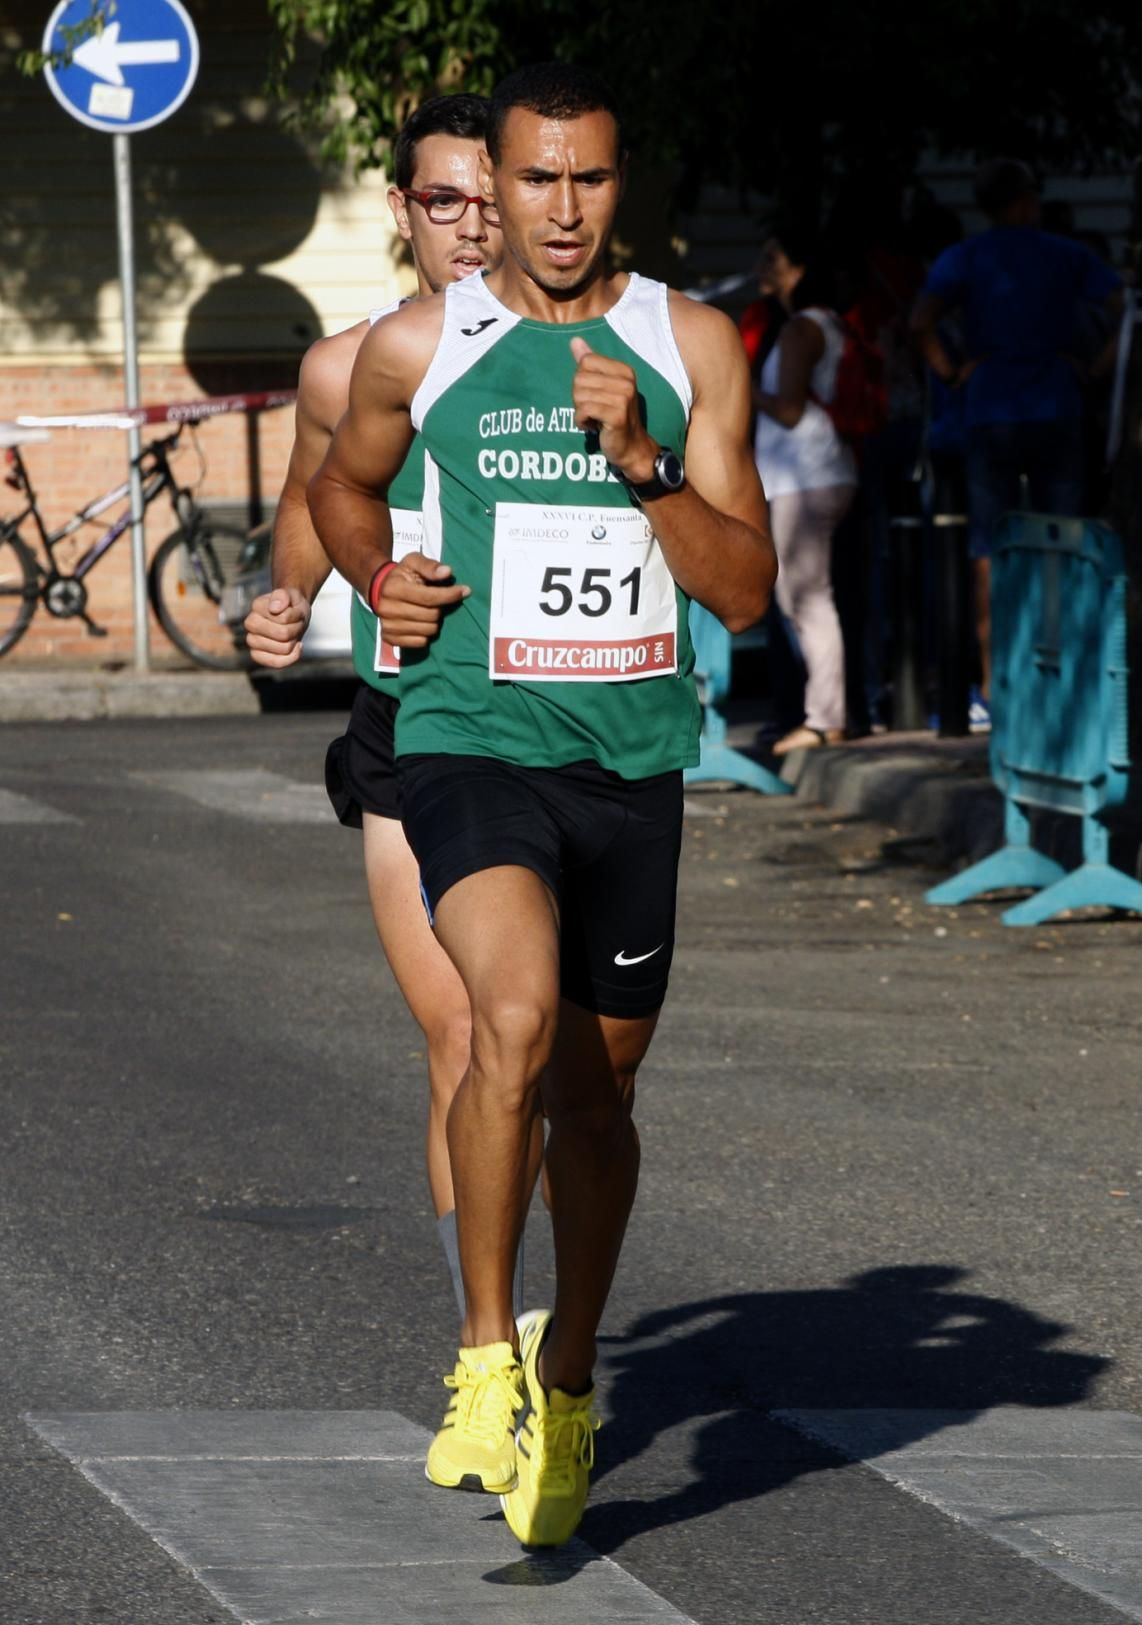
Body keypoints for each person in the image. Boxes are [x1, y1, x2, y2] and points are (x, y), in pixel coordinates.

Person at [307, 62, 776, 1547]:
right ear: (488, 188)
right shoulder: (422, 342)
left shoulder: (686, 340)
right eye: (534, 181)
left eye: (589, 181)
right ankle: (484, 1358)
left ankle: (572, 1373)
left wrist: (643, 466)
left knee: (599, 1093)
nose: (561, 211)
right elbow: (342, 484)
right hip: (469, 740)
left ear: (615, 183)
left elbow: (746, 592)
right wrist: (377, 575)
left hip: (632, 768)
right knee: (505, 1021)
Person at [241, 95, 538, 1323]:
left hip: (554, 732)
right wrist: (286, 595)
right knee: (466, 1039)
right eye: (444, 201)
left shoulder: (584, 365)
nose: (471, 228)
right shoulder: (343, 366)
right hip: (410, 729)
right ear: (402, 212)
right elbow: (315, 503)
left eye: (490, 197)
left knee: (556, 1062)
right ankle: (496, 1341)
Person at [911, 159, 1123, 693]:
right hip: (1059, 404)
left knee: (990, 546)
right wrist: (1096, 369)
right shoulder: (1067, 254)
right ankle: (1070, 673)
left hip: (990, 409)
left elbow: (921, 323)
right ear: (1027, 201)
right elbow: (1128, 309)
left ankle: (994, 679)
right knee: (1068, 537)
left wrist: (952, 372)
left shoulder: (966, 258)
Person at [752, 229, 859, 750]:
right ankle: (823, 712)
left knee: (807, 597)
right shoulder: (821, 323)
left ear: (799, 269)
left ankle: (824, 718)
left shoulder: (800, 329)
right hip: (819, 471)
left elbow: (789, 409)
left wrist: (744, 388)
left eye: (774, 257)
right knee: (804, 595)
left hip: (806, 474)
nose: (763, 266)